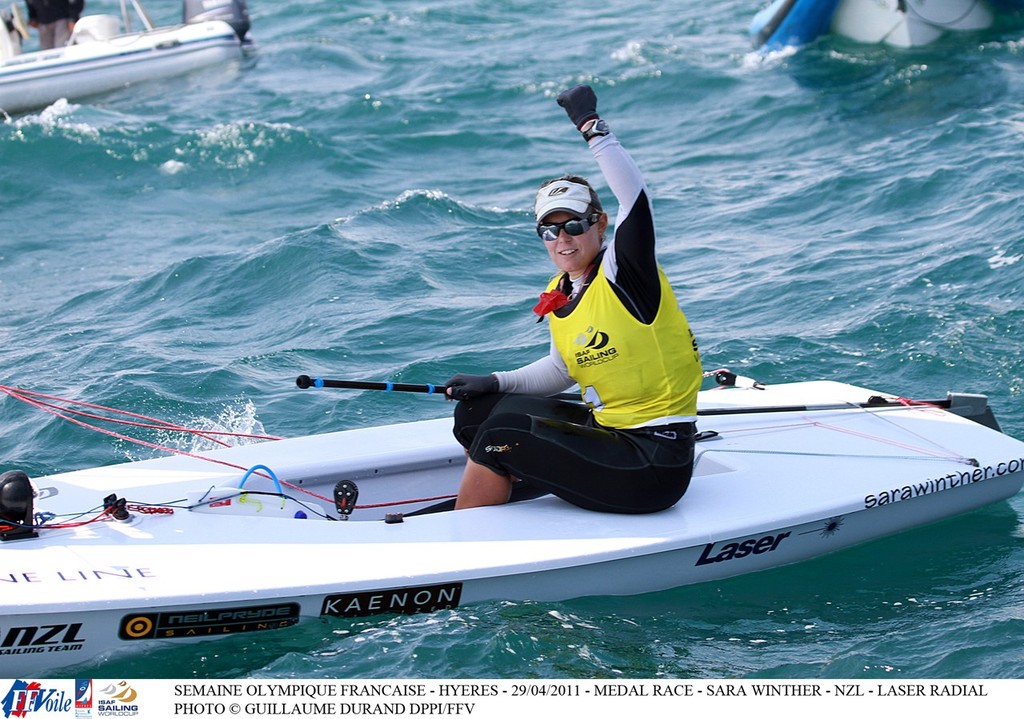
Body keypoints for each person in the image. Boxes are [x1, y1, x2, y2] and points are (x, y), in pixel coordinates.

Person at [444, 85, 703, 514]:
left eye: (575, 225)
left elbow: (635, 197)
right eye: (550, 230)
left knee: (498, 434)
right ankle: (513, 484)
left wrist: (590, 126)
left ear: (600, 224)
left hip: (653, 462)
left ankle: (465, 536)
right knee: (479, 413)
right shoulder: (561, 290)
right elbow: (562, 370)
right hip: (610, 433)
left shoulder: (625, 271)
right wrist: (494, 381)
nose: (563, 239)